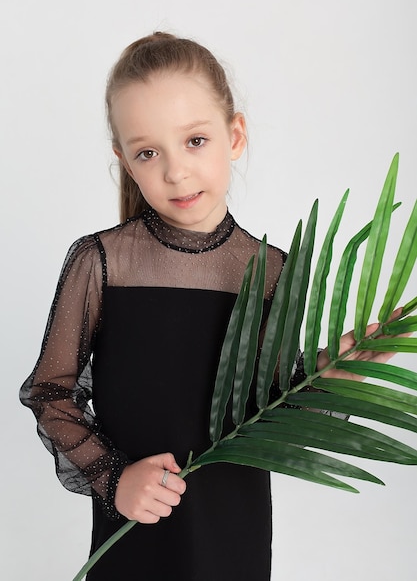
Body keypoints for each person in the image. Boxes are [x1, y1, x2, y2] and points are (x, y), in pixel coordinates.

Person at [19, 32, 399, 581]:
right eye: (148, 152)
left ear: (235, 134)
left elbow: (270, 414)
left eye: (194, 141)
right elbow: (51, 393)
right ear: (123, 159)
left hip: (232, 534)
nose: (175, 172)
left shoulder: (274, 272)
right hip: (133, 539)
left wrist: (328, 376)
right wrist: (112, 476)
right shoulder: (101, 263)